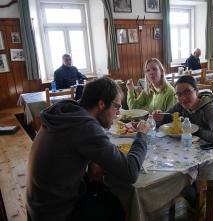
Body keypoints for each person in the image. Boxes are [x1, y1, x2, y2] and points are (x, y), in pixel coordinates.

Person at [26, 77, 150, 221]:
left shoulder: (68, 113)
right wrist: (141, 135)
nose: (118, 113)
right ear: (101, 103)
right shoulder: (83, 126)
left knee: (102, 186)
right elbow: (130, 172)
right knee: (116, 206)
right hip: (57, 213)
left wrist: (92, 159)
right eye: (116, 106)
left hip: (38, 205)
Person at [153, 75, 213, 145]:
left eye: (187, 92)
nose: (183, 98)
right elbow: (163, 122)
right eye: (179, 94)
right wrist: (159, 117)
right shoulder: (180, 106)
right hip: (190, 147)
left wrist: (193, 130)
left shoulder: (210, 108)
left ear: (197, 91)